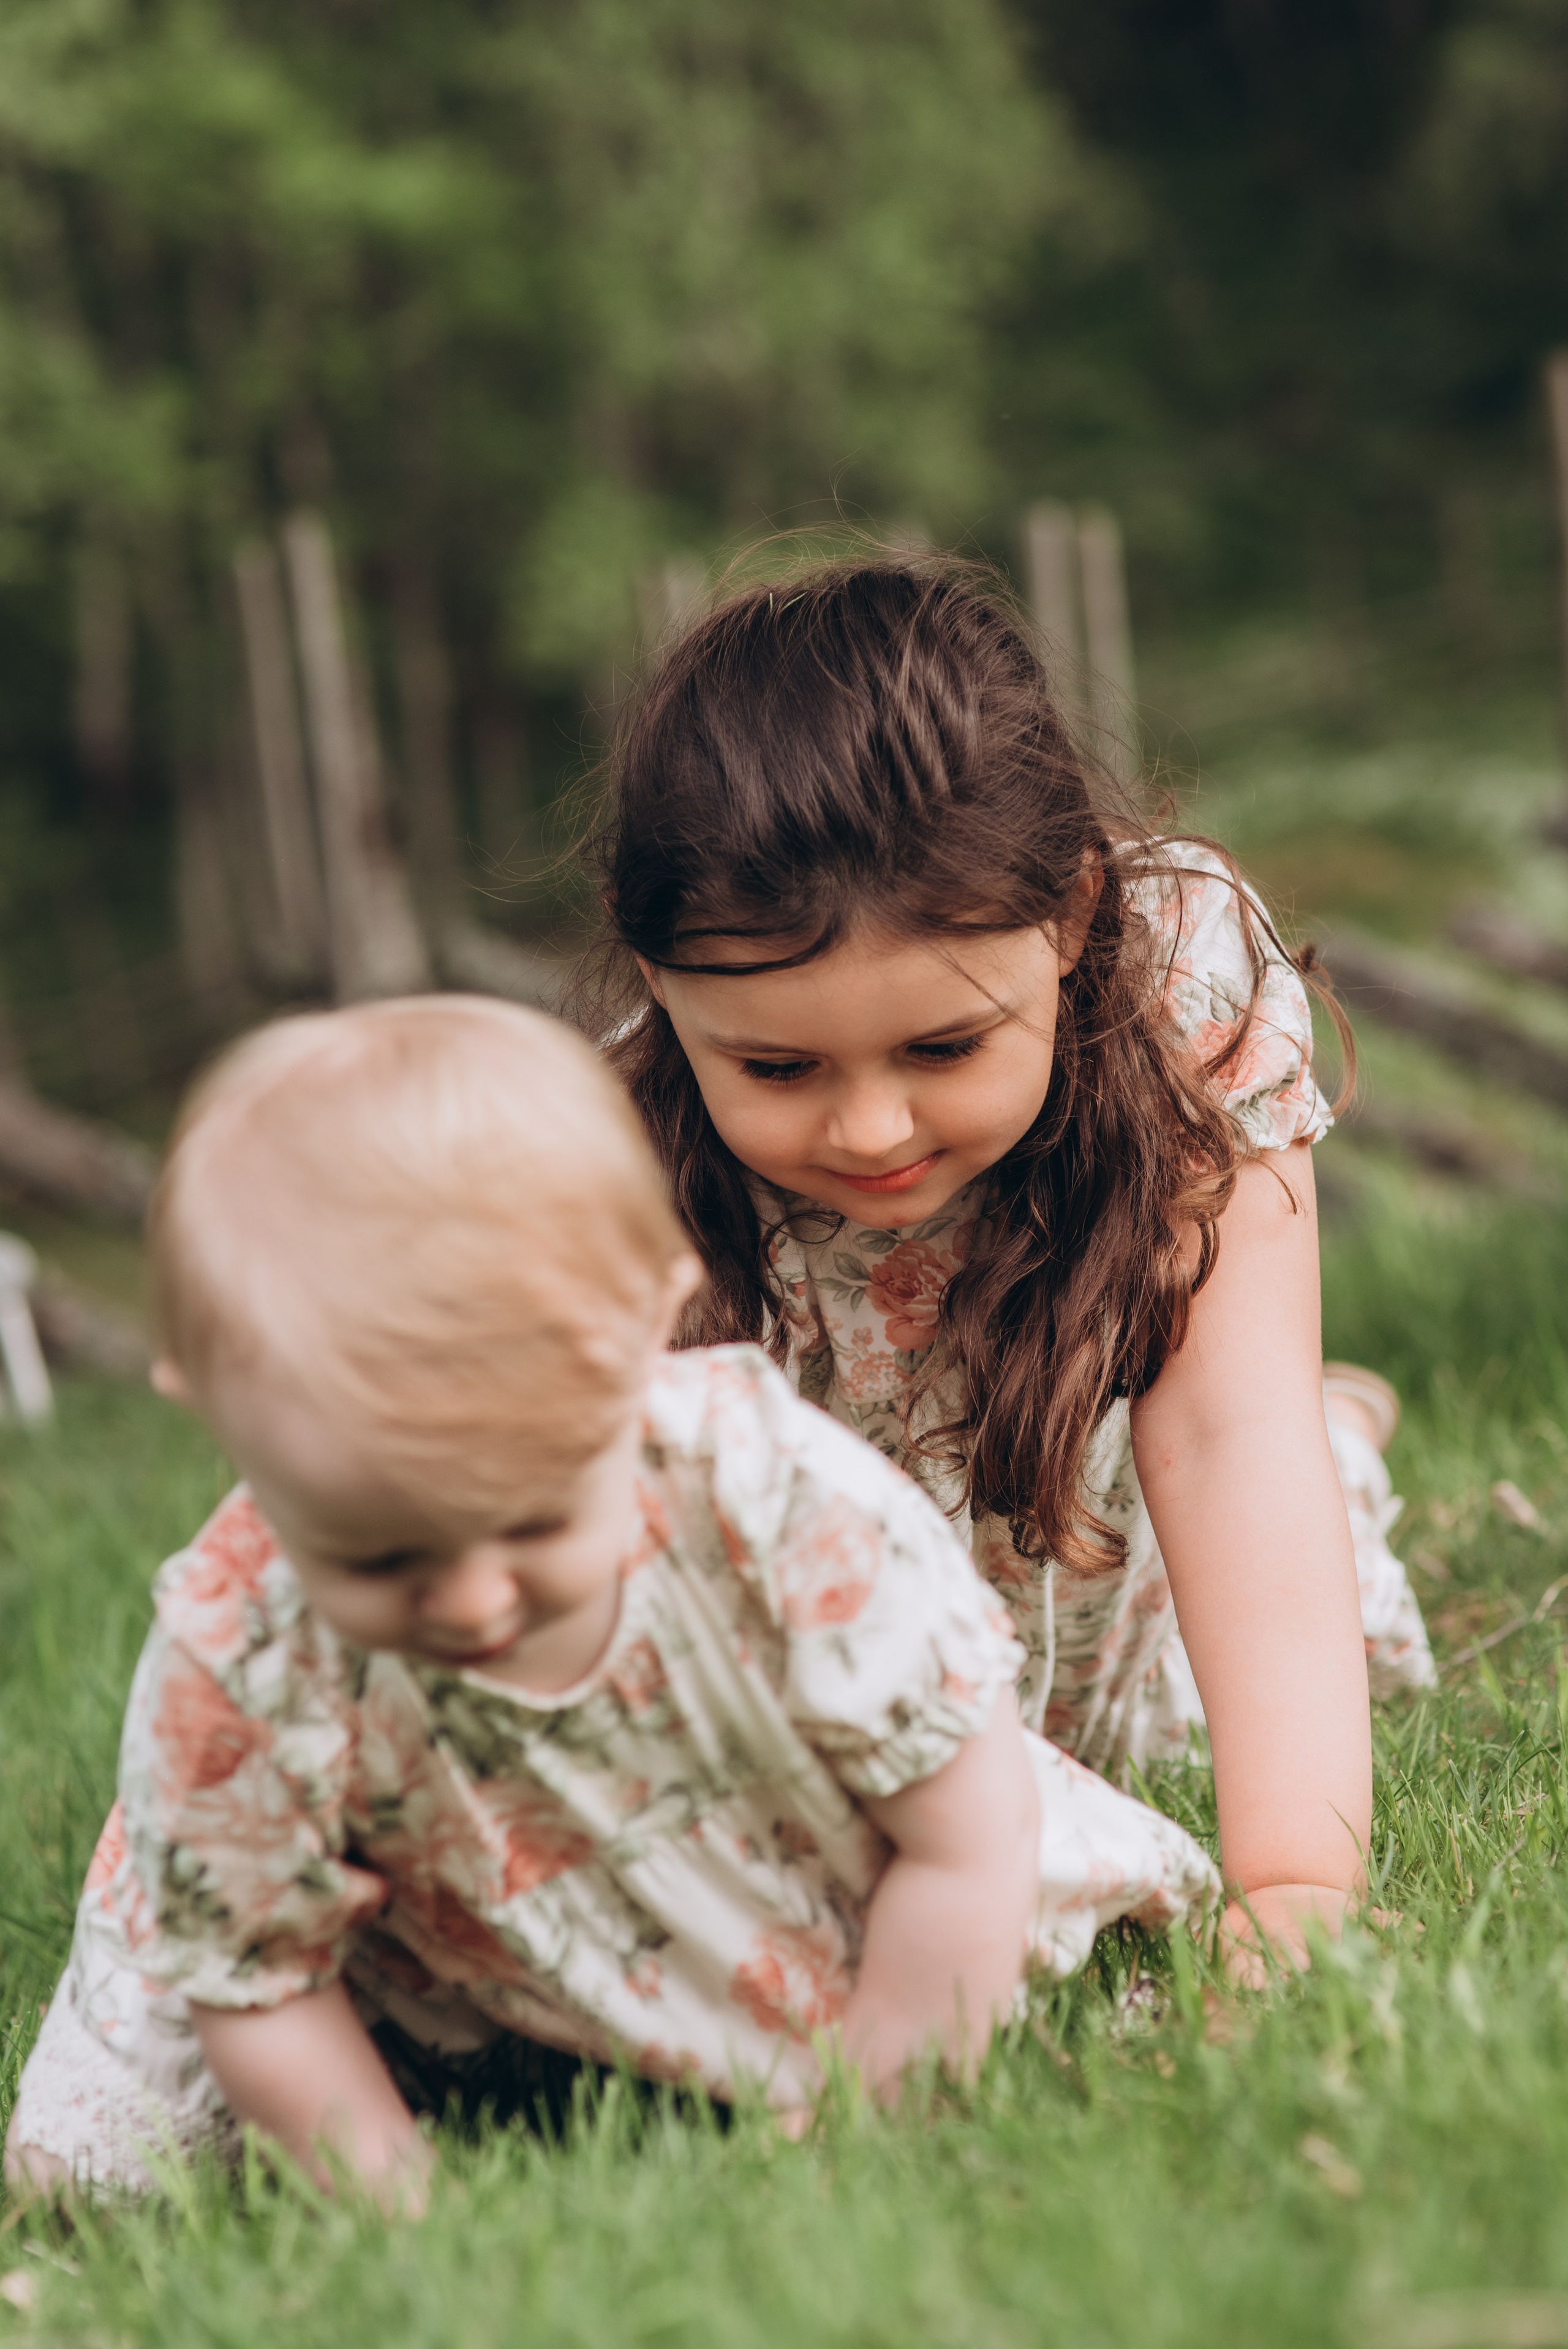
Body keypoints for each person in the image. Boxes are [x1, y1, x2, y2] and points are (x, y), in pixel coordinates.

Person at [5, 997, 1215, 2204]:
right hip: (488, 1948)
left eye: (533, 1520)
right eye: (379, 1559)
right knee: (90, 2172)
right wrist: (403, 2208)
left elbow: (967, 1830)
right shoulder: (242, 1635)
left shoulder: (768, 1502)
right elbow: (252, 1973)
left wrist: (875, 2107)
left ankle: (1342, 1435)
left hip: (852, 1881)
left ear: (647, 1320)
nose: (474, 1602)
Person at [575, 556, 1436, 1984]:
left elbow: (1225, 1440)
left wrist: (1290, 1879)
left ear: (1073, 918)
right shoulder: (602, 1163)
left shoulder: (1180, 995)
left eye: (941, 1048)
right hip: (875, 1682)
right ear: (657, 978)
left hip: (1116, 1561)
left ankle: (1335, 1427)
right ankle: (1340, 1424)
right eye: (778, 1066)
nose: (866, 1128)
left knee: (1293, 1529)